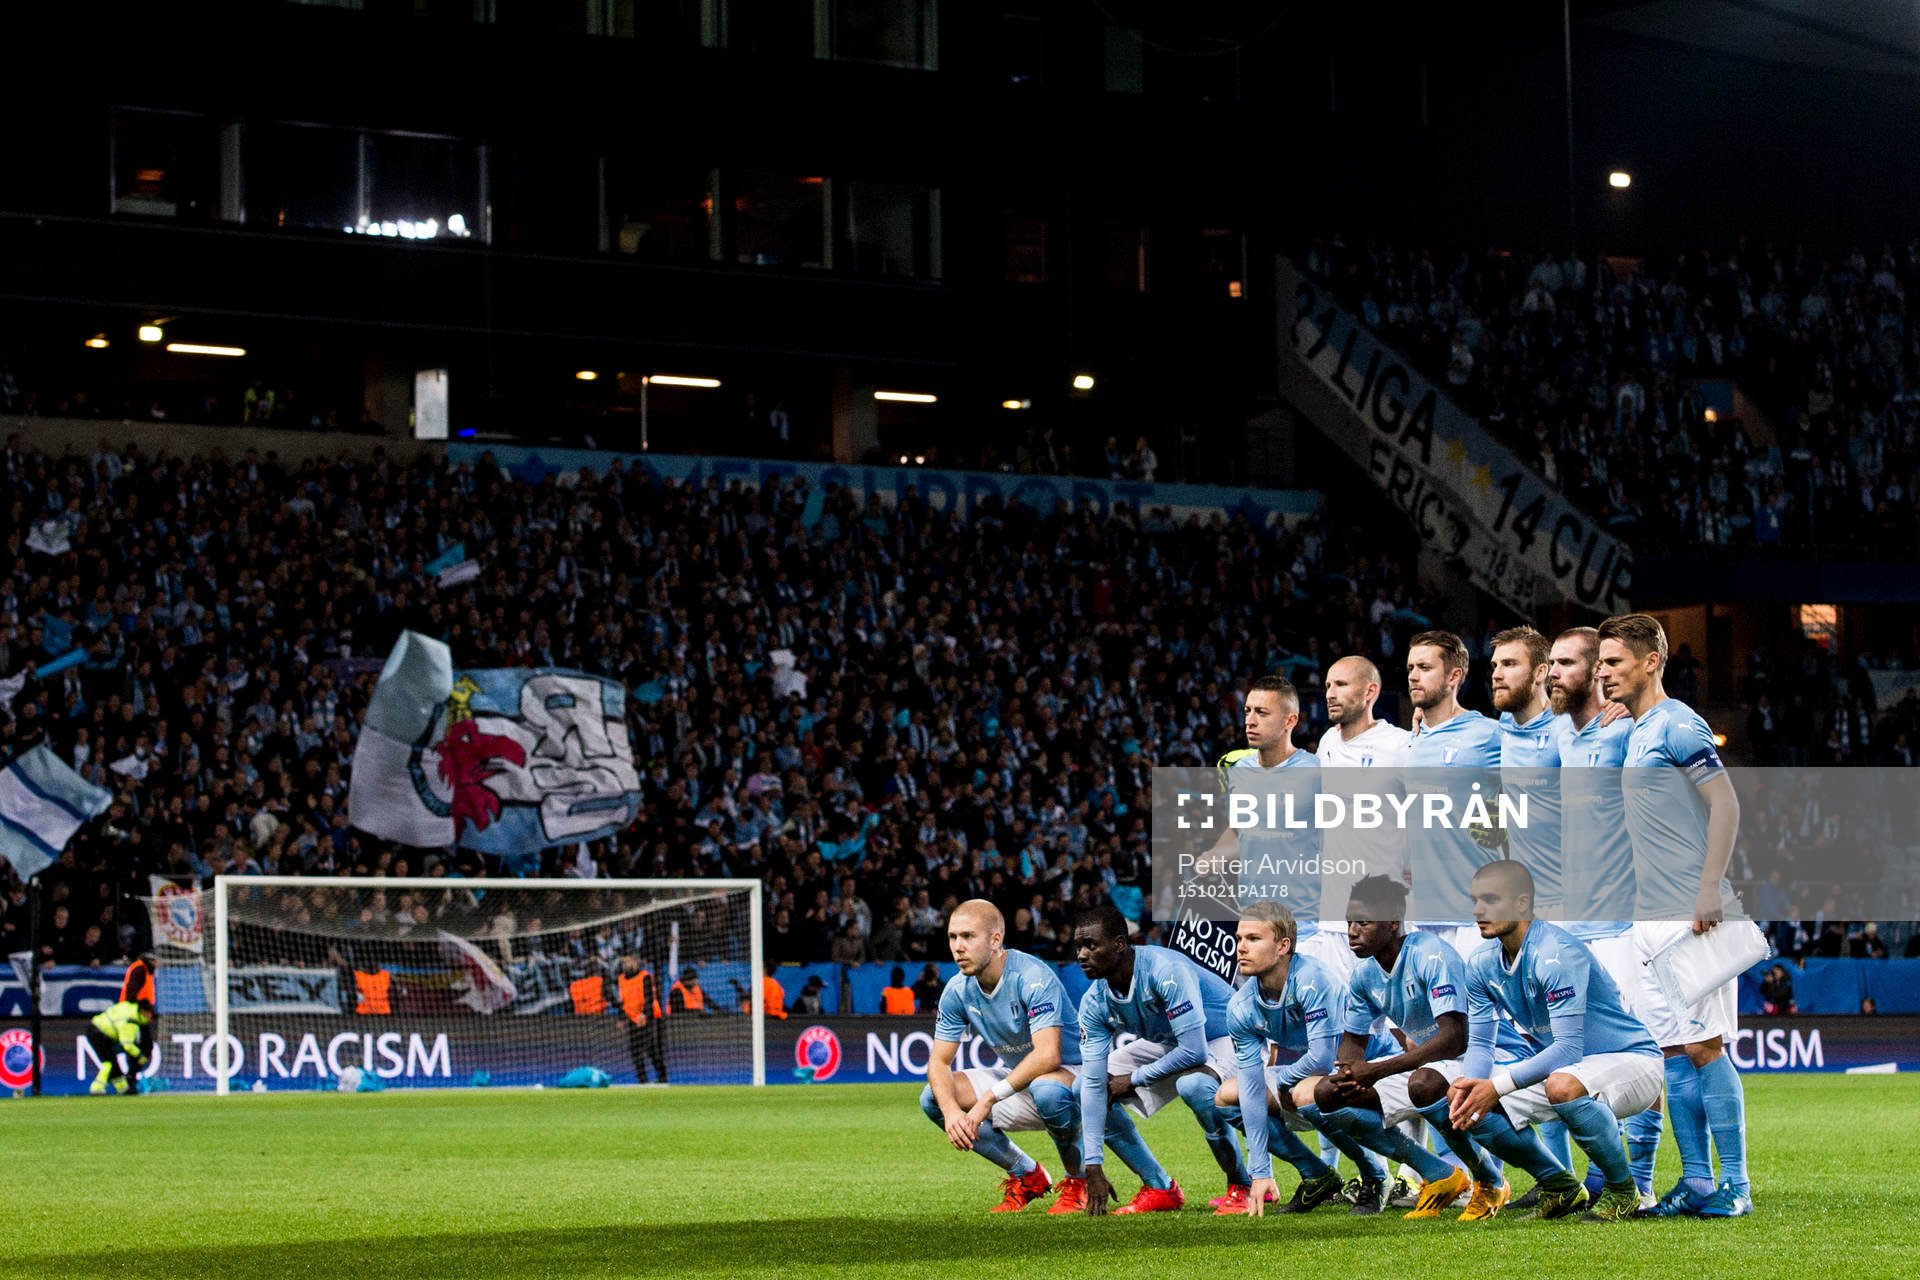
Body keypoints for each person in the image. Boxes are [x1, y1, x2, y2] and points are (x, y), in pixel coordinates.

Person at [1599, 613, 1752, 1218]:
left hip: (1692, 912)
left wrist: (1709, 888)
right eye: (1602, 662)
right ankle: (1696, 1183)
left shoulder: (1680, 723)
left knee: (1707, 1048)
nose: (1603, 672)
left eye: (1614, 662)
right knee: (1673, 1051)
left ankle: (1735, 1187)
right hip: (1649, 916)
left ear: (1651, 661)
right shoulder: (1641, 729)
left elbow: (1726, 803)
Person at [1447, 861, 1664, 1224]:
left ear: (1521, 904)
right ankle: (1559, 1185)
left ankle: (1625, 1192)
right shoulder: (1481, 962)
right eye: (1475, 900)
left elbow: (1567, 1048)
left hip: (1633, 1062)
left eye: (1489, 899)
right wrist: (1472, 1084)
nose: (1477, 911)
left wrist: (1496, 1087)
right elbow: (1481, 1045)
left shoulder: (1556, 952)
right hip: (1573, 1070)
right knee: (1468, 1105)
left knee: (1561, 1085)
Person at [1309, 875, 1527, 1220]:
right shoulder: (1364, 973)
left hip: (1493, 1057)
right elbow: (1353, 1041)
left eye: (1362, 922)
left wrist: (1377, 1070)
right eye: (1349, 922)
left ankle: (1489, 1181)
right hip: (1437, 1065)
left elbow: (1456, 1037)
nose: (1351, 931)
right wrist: (1350, 1073)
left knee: (1423, 1082)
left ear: (1392, 923)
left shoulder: (1431, 954)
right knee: (1328, 1094)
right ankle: (1441, 1174)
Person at [1550, 625, 1663, 1210]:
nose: (1551, 672)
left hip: (1620, 925)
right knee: (1570, 1058)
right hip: (1568, 926)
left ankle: (1639, 1180)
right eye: (1549, 662)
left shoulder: (1627, 732)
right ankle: (1597, 1178)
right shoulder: (1561, 738)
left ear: (1598, 670)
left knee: (1636, 1055)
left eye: (1565, 662)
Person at [1213, 901, 1398, 1218]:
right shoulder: (1241, 1006)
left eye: (1254, 939)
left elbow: (1323, 1058)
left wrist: (1284, 1082)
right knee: (1228, 1096)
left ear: (1283, 945)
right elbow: (1253, 1085)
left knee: (1306, 1092)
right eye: (1240, 938)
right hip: (1318, 1076)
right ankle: (1318, 1175)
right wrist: (1260, 1171)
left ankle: (1376, 1176)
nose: (1241, 947)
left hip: (1374, 1067)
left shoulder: (1313, 979)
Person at [918, 900, 1087, 1213]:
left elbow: (1048, 1055)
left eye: (968, 936)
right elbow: (938, 1062)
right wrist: (952, 1111)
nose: (958, 947)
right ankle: (1027, 1174)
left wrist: (987, 1100)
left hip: (1074, 1077)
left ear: (995, 940)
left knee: (1047, 1090)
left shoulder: (1033, 975)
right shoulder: (957, 989)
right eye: (953, 937)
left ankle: (1078, 1180)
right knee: (933, 1098)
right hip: (1022, 1082)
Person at [1074, 903, 1239, 1215]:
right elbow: (1095, 1082)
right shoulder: (1094, 1001)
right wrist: (1092, 1166)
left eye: (1091, 945)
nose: (1082, 955)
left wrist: (1135, 1079)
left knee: (1196, 1087)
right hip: (1171, 1042)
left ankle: (1240, 1184)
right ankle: (1160, 1186)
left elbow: (1194, 1051)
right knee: (1083, 1085)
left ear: (1119, 944)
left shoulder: (1165, 971)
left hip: (1227, 1037)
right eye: (1079, 946)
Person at [1403, 630, 1503, 954]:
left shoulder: (1487, 734)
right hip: (1421, 914)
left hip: (1474, 917)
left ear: (1453, 676)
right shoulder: (1413, 739)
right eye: (1410, 669)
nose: (1414, 676)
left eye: (1424, 667)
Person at [86, 999, 153, 1095]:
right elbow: (127, 1045)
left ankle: (123, 1088)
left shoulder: (129, 1006)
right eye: (148, 1016)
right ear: (143, 1012)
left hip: (96, 1028)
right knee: (108, 1063)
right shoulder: (131, 1021)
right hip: (100, 1033)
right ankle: (96, 1088)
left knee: (113, 1062)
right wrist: (140, 1056)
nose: (149, 1020)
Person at [618, 955, 668, 1083]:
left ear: (635, 962)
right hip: (632, 1018)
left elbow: (649, 998)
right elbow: (623, 1000)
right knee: (635, 1051)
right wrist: (621, 1018)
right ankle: (642, 1080)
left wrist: (644, 1014)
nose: (626, 964)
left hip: (649, 1017)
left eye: (629, 961)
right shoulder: (621, 979)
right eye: (624, 962)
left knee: (651, 1050)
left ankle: (662, 1077)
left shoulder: (645, 976)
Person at [116, 951, 159, 1095]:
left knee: (142, 1046)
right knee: (141, 1045)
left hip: (137, 1015)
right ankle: (129, 1078)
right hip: (133, 1016)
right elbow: (131, 992)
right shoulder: (140, 969)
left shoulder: (145, 970)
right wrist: (141, 1008)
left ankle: (130, 1077)